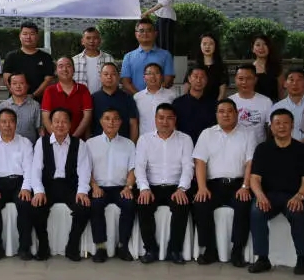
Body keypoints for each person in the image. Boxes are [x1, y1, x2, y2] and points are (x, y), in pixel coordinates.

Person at [248, 109, 304, 275]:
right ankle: (262, 258)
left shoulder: (302, 149)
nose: (282, 126)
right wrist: (260, 196)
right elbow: (254, 178)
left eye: (285, 123)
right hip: (268, 196)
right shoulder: (262, 149)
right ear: (271, 127)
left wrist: (299, 196)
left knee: (297, 212)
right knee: (256, 211)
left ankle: (302, 259)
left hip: (293, 195)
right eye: (277, 123)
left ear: (292, 125)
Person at [191, 99, 255, 266]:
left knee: (244, 204)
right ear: (216, 115)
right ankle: (210, 249)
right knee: (201, 203)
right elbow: (200, 162)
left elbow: (250, 163)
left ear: (236, 114)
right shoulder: (207, 134)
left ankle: (237, 250)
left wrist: (245, 186)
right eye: (221, 111)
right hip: (213, 184)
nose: (226, 114)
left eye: (229, 111)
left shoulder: (248, 134)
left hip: (239, 184)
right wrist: (202, 187)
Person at [27, 108, 91, 262]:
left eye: (64, 122)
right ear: (50, 124)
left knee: (84, 207)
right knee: (35, 208)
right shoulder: (41, 143)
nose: (60, 125)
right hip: (48, 185)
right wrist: (38, 191)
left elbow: (84, 170)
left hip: (70, 186)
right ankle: (43, 246)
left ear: (70, 124)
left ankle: (72, 246)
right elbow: (36, 169)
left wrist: (82, 191)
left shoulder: (80, 144)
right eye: (56, 121)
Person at [133, 104, 194, 264]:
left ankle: (174, 250)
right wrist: (144, 189)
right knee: (143, 204)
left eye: (169, 118)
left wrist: (182, 188)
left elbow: (188, 167)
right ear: (155, 119)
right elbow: (139, 167)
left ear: (175, 120)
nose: (165, 122)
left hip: (176, 186)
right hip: (152, 186)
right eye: (161, 118)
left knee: (181, 205)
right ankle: (150, 249)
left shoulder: (185, 139)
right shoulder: (144, 139)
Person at [0, 108, 35, 261]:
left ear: (16, 124)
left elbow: (29, 169)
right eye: (3, 122)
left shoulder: (25, 143)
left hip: (20, 181)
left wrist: (26, 188)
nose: (7, 125)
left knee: (25, 203)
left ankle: (24, 247)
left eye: (11, 121)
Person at [85, 108, 136, 263]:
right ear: (101, 121)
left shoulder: (129, 144)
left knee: (129, 204)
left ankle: (123, 246)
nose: (111, 122)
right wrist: (94, 186)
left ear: (120, 122)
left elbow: (133, 170)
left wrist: (128, 187)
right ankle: (100, 247)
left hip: (121, 187)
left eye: (115, 119)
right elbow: (86, 169)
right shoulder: (90, 144)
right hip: (99, 187)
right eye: (107, 118)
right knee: (96, 205)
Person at [42, 56, 93, 139]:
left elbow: (87, 117)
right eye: (61, 66)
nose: (65, 69)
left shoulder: (83, 89)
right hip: (54, 141)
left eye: (68, 66)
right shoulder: (49, 91)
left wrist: (73, 139)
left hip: (78, 140)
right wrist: (57, 138)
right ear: (56, 71)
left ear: (74, 70)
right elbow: (46, 118)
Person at [2, 21, 55, 99]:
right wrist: (18, 96)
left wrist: (33, 96)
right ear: (20, 36)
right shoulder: (11, 56)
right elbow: (6, 79)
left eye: (32, 34)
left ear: (37, 36)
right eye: (25, 34)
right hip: (16, 101)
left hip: (39, 101)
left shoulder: (46, 57)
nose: (28, 37)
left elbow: (48, 80)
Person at [120, 19, 175, 93]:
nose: (145, 33)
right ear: (136, 34)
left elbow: (168, 80)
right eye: (141, 31)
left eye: (149, 30)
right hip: (134, 98)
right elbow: (125, 82)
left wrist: (153, 95)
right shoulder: (128, 57)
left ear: (155, 33)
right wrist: (140, 96)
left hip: (159, 98)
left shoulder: (166, 55)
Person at [271, 69, 304, 143]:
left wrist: (302, 144)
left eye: (299, 80)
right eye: (291, 80)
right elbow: (273, 129)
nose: (295, 83)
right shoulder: (277, 106)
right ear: (285, 84)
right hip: (284, 147)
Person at [91, 62, 138, 140]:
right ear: (100, 77)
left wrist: (132, 144)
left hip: (123, 143)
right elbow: (88, 125)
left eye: (113, 74)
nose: (109, 77)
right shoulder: (93, 98)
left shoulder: (128, 98)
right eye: (106, 74)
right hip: (98, 144)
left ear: (118, 77)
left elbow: (133, 124)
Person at [230, 64, 273, 144]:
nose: (244, 82)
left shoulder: (266, 101)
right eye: (241, 78)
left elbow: (270, 128)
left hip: (259, 147)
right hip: (235, 146)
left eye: (249, 78)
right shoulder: (229, 101)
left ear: (255, 79)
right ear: (235, 79)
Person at [172, 65, 216, 144]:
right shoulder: (177, 103)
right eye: (195, 76)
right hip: (184, 146)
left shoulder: (214, 104)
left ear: (206, 80)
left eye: (202, 77)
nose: (199, 80)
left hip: (208, 146)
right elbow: (173, 127)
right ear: (189, 79)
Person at [0, 73, 42, 142]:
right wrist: (1, 144)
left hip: (29, 147)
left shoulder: (35, 105)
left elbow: (40, 130)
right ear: (10, 87)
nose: (18, 86)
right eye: (14, 83)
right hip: (7, 146)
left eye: (21, 83)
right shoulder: (2, 106)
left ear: (27, 85)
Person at [133, 63, 178, 135]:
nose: (152, 76)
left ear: (162, 76)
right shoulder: (137, 97)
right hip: (145, 139)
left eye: (156, 73)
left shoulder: (172, 95)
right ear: (144, 77)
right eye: (149, 73)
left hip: (168, 138)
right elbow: (135, 122)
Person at [73, 26, 113, 95]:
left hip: (103, 98)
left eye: (95, 38)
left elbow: (114, 81)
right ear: (82, 41)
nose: (91, 41)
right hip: (80, 99)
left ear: (100, 41)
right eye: (88, 38)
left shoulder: (109, 59)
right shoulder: (74, 61)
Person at [188, 33, 228, 101]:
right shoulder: (193, 67)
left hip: (215, 104)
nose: (207, 47)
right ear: (200, 46)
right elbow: (187, 89)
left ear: (215, 46)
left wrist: (216, 105)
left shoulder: (221, 67)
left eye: (211, 44)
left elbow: (222, 93)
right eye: (204, 44)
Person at [251, 35, 283, 102]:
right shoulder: (250, 69)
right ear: (253, 49)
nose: (261, 47)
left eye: (265, 44)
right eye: (258, 45)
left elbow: (280, 93)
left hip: (274, 105)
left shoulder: (277, 67)